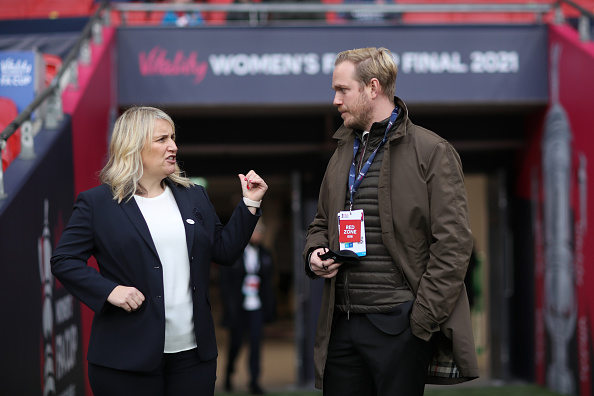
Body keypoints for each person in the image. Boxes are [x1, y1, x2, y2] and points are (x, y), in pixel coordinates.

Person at [51, 106, 268, 396]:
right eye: (162, 139)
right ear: (134, 146)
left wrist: (249, 204)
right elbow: (64, 260)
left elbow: (225, 252)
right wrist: (109, 290)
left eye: (174, 138)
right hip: (124, 359)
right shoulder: (97, 204)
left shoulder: (194, 195)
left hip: (193, 357)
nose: (173, 146)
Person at [303, 47, 478, 396]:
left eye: (342, 89)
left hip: (402, 325)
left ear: (372, 87)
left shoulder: (432, 151)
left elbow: (454, 245)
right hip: (343, 324)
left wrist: (420, 321)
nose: (335, 100)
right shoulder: (341, 154)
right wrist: (314, 254)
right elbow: (320, 224)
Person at [219, 220, 276, 395]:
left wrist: (270, 307)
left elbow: (269, 282)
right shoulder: (235, 254)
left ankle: (254, 381)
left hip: (256, 306)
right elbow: (225, 283)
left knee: (255, 344)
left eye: (260, 232)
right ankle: (229, 374)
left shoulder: (265, 254)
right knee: (235, 344)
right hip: (239, 307)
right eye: (255, 231)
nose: (257, 235)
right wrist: (229, 306)